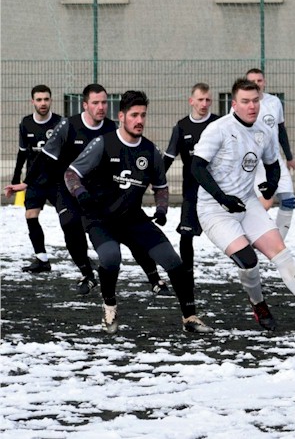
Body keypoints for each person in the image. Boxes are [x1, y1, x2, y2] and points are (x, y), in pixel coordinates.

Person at [192, 78, 295, 331]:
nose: (252, 106)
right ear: (234, 104)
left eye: (255, 101)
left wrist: (271, 183)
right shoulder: (218, 129)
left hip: (247, 204)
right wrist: (222, 198)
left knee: (281, 252)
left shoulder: (263, 131)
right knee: (248, 261)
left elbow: (272, 164)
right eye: (245, 101)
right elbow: (197, 167)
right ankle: (258, 304)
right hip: (215, 210)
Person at [64, 90, 212, 334]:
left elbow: (161, 186)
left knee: (174, 262)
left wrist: (162, 209)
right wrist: (80, 193)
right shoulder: (103, 143)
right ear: (121, 116)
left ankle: (190, 318)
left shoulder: (150, 150)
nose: (139, 120)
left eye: (143, 115)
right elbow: (71, 173)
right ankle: (110, 305)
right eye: (134, 115)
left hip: (133, 218)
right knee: (111, 259)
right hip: (100, 218)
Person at [40, 83, 168, 296]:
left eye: (104, 102)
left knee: (130, 228)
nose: (101, 107)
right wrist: (29, 182)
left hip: (105, 193)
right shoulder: (68, 126)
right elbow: (46, 158)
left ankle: (154, 278)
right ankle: (87, 274)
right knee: (70, 224)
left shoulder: (113, 129)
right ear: (85, 105)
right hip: (71, 188)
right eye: (96, 102)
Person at [164, 83, 220, 289]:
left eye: (208, 100)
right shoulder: (181, 127)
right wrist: (154, 179)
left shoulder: (219, 124)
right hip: (191, 191)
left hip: (218, 191)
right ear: (191, 101)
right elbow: (169, 157)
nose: (204, 104)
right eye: (200, 100)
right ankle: (187, 276)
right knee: (186, 235)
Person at [3, 85, 62, 273]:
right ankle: (42, 259)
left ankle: (84, 257)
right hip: (35, 181)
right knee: (30, 216)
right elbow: (22, 154)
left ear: (51, 100)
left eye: (46, 99)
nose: (43, 103)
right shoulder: (25, 123)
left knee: (69, 220)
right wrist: (15, 180)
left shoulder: (61, 123)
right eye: (39, 100)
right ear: (32, 102)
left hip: (57, 181)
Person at [245, 68, 295, 240]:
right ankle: (243, 233)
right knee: (265, 203)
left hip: (275, 160)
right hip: (256, 163)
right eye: (252, 81)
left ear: (264, 82)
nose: (256, 84)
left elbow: (281, 130)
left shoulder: (274, 102)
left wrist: (289, 157)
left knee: (289, 201)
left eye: (259, 80)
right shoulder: (241, 105)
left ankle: (278, 243)